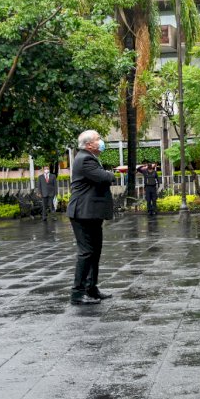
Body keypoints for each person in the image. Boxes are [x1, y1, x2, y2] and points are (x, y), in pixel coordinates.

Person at [67, 130, 114, 305]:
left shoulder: (89, 157)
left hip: (91, 213)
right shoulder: (85, 159)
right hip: (83, 213)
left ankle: (91, 288)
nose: (101, 141)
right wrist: (111, 174)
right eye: (98, 139)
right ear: (88, 145)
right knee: (86, 252)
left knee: (94, 252)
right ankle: (77, 293)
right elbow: (103, 177)